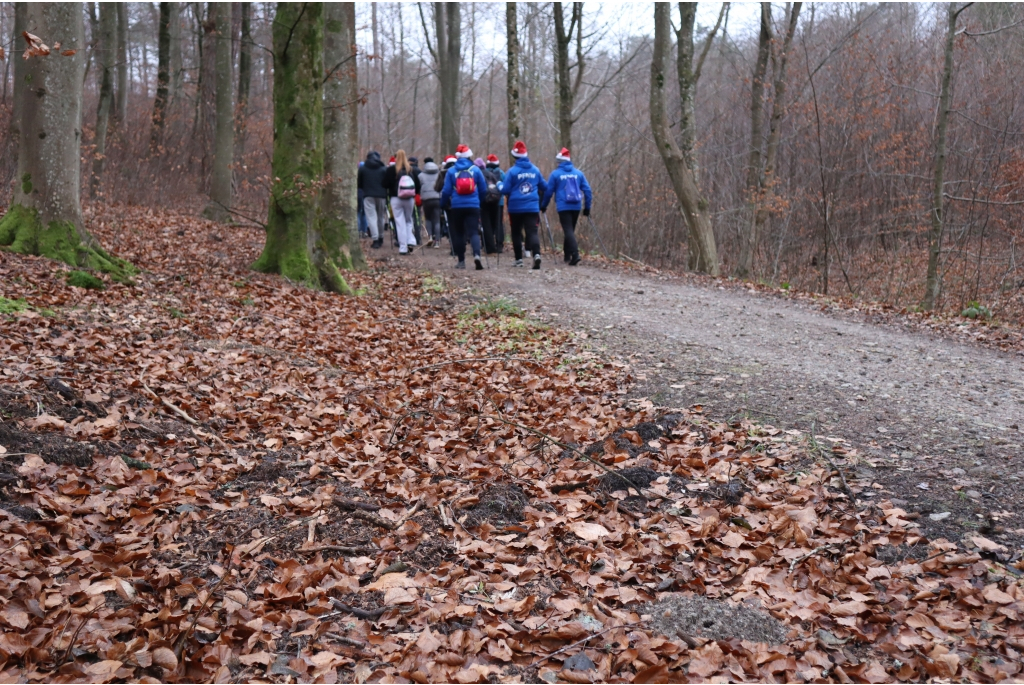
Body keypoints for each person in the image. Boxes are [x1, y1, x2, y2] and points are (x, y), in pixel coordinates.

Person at [541, 147, 592, 266]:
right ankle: (567, 256)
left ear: (560, 162)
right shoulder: (578, 173)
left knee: (568, 230)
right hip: (576, 205)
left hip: (563, 206)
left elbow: (549, 191)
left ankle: (575, 254)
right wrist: (587, 207)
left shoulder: (555, 174)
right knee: (570, 230)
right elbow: (588, 190)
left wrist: (544, 205)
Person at [440, 144, 488, 270]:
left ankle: (461, 261)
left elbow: (446, 191)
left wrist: (443, 203)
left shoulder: (451, 171)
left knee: (459, 233)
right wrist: (480, 201)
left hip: (457, 206)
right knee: (473, 232)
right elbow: (483, 189)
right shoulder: (476, 170)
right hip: (473, 205)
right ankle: (477, 255)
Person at [501, 140, 547, 269]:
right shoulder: (535, 170)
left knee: (516, 232)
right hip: (532, 206)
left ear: (515, 156)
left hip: (515, 207)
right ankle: (537, 255)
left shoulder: (512, 171)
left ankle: (518, 259)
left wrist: (499, 185)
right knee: (532, 232)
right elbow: (545, 186)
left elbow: (505, 190)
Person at [383, 150, 421, 255]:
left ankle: (403, 247)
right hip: (409, 199)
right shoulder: (411, 169)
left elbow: (384, 184)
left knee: (400, 222)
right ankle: (411, 240)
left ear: (395, 158)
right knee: (409, 220)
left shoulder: (391, 170)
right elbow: (418, 186)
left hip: (396, 199)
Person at [357, 151, 388, 248]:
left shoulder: (363, 169)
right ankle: (381, 237)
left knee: (371, 218)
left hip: (368, 195)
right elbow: (387, 183)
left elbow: (359, 183)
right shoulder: (383, 169)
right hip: (382, 195)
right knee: (380, 217)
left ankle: (375, 240)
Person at [483, 154, 506, 254]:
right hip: (498, 202)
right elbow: (506, 187)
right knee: (498, 223)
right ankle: (499, 244)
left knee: (487, 223)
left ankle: (488, 244)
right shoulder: (501, 173)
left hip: (486, 201)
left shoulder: (484, 173)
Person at [418, 157, 442, 248]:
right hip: (437, 198)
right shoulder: (439, 174)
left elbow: (418, 186)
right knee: (437, 220)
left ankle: (430, 237)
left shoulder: (421, 175)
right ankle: (437, 242)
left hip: (426, 199)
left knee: (428, 219)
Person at [409, 156, 424, 244]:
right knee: (417, 217)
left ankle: (410, 237)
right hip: (417, 196)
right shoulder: (419, 171)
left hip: (407, 195)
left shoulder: (407, 171)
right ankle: (418, 237)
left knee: (408, 218)